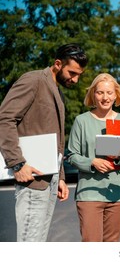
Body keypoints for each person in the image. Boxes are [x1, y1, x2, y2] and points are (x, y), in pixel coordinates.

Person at [0, 43, 88, 241]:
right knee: (30, 242)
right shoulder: (34, 80)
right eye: (72, 73)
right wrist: (17, 163)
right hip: (31, 177)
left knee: (38, 242)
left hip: (51, 177)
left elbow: (56, 139)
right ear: (58, 64)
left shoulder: (58, 92)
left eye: (79, 74)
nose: (75, 79)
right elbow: (4, 118)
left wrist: (61, 176)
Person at [66, 73, 120, 242]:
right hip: (89, 193)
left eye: (109, 92)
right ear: (93, 94)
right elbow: (71, 155)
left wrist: (118, 159)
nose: (105, 97)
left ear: (116, 94)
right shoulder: (82, 121)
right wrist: (92, 162)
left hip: (118, 193)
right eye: (100, 92)